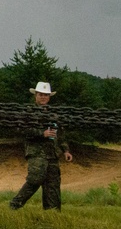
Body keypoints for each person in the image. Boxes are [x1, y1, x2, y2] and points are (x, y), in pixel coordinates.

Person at [9, 81, 73, 211]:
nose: (43, 97)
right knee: (35, 179)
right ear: (36, 96)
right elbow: (22, 130)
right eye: (40, 94)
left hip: (52, 153)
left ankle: (52, 213)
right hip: (36, 152)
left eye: (46, 95)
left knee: (53, 184)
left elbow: (60, 134)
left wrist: (65, 150)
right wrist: (41, 133)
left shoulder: (54, 114)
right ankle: (15, 204)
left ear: (49, 97)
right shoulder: (28, 112)